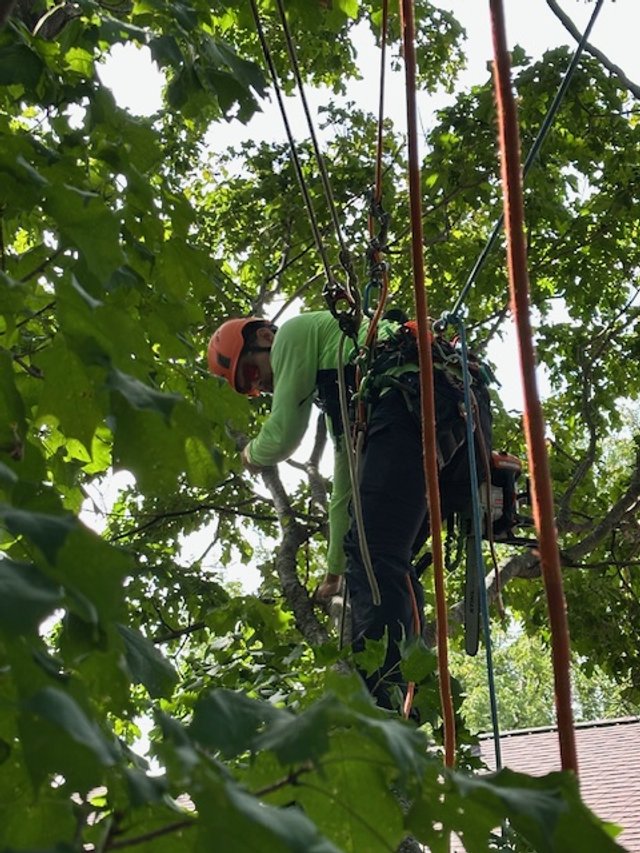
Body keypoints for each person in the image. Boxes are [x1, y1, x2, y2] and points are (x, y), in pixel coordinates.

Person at [207, 310, 491, 712]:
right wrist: (334, 570)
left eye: (252, 374)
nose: (264, 386)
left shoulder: (293, 334)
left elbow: (285, 432)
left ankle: (379, 701)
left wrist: (252, 452)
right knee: (387, 554)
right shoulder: (348, 396)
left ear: (264, 338)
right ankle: (406, 686)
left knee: (375, 557)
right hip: (451, 413)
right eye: (251, 388)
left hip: (415, 400)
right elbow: (346, 486)